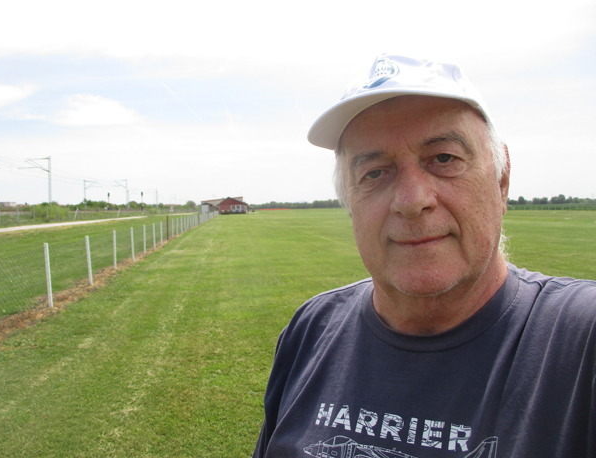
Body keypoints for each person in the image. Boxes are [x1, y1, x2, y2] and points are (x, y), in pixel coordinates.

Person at [253, 53, 596, 458]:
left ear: (501, 181)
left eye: (444, 159)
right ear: (350, 204)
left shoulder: (580, 342)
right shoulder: (310, 330)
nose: (412, 201)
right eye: (374, 173)